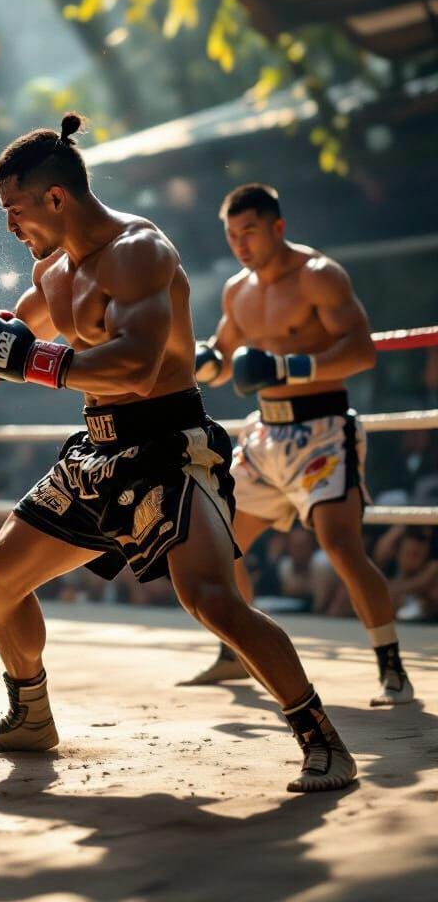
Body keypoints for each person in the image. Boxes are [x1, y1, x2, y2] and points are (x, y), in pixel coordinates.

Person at [0, 115, 356, 793]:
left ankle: (321, 738)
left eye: (15, 210)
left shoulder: (139, 251)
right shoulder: (53, 269)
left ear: (56, 196)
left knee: (211, 599)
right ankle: (30, 715)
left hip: (167, 445)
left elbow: (138, 365)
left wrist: (31, 361)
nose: (10, 226)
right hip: (97, 449)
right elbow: (8, 334)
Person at [186, 183, 413, 706]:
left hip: (322, 431)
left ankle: (393, 671)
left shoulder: (319, 276)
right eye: (232, 234)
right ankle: (235, 655)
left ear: (278, 227)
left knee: (341, 545)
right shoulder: (237, 290)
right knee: (220, 543)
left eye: (249, 232)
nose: (240, 244)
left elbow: (361, 351)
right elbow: (225, 358)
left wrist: (290, 368)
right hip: (266, 434)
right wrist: (204, 362)